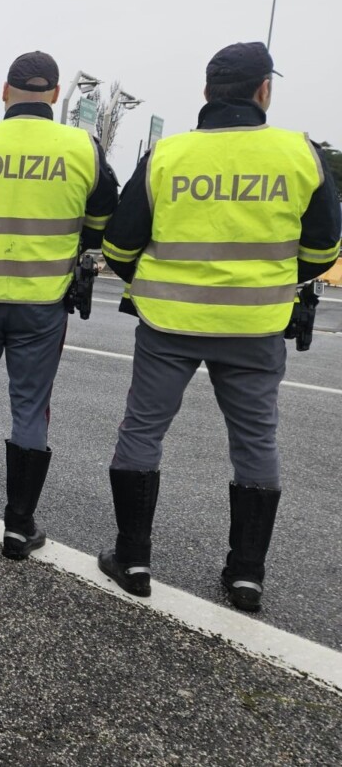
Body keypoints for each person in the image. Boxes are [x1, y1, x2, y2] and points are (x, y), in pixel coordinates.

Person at [97, 42, 341, 611]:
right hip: (256, 324)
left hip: (167, 320)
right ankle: (246, 575)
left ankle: (132, 559)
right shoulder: (298, 152)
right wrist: (273, 281)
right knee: (256, 441)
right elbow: (324, 246)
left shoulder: (167, 155)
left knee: (142, 432)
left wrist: (154, 281)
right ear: (264, 90)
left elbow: (119, 244)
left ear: (206, 92)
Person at [0, 51, 119, 559]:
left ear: (4, 91)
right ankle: (18, 530)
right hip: (42, 301)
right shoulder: (83, 146)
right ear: (56, 94)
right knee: (30, 408)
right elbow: (102, 220)